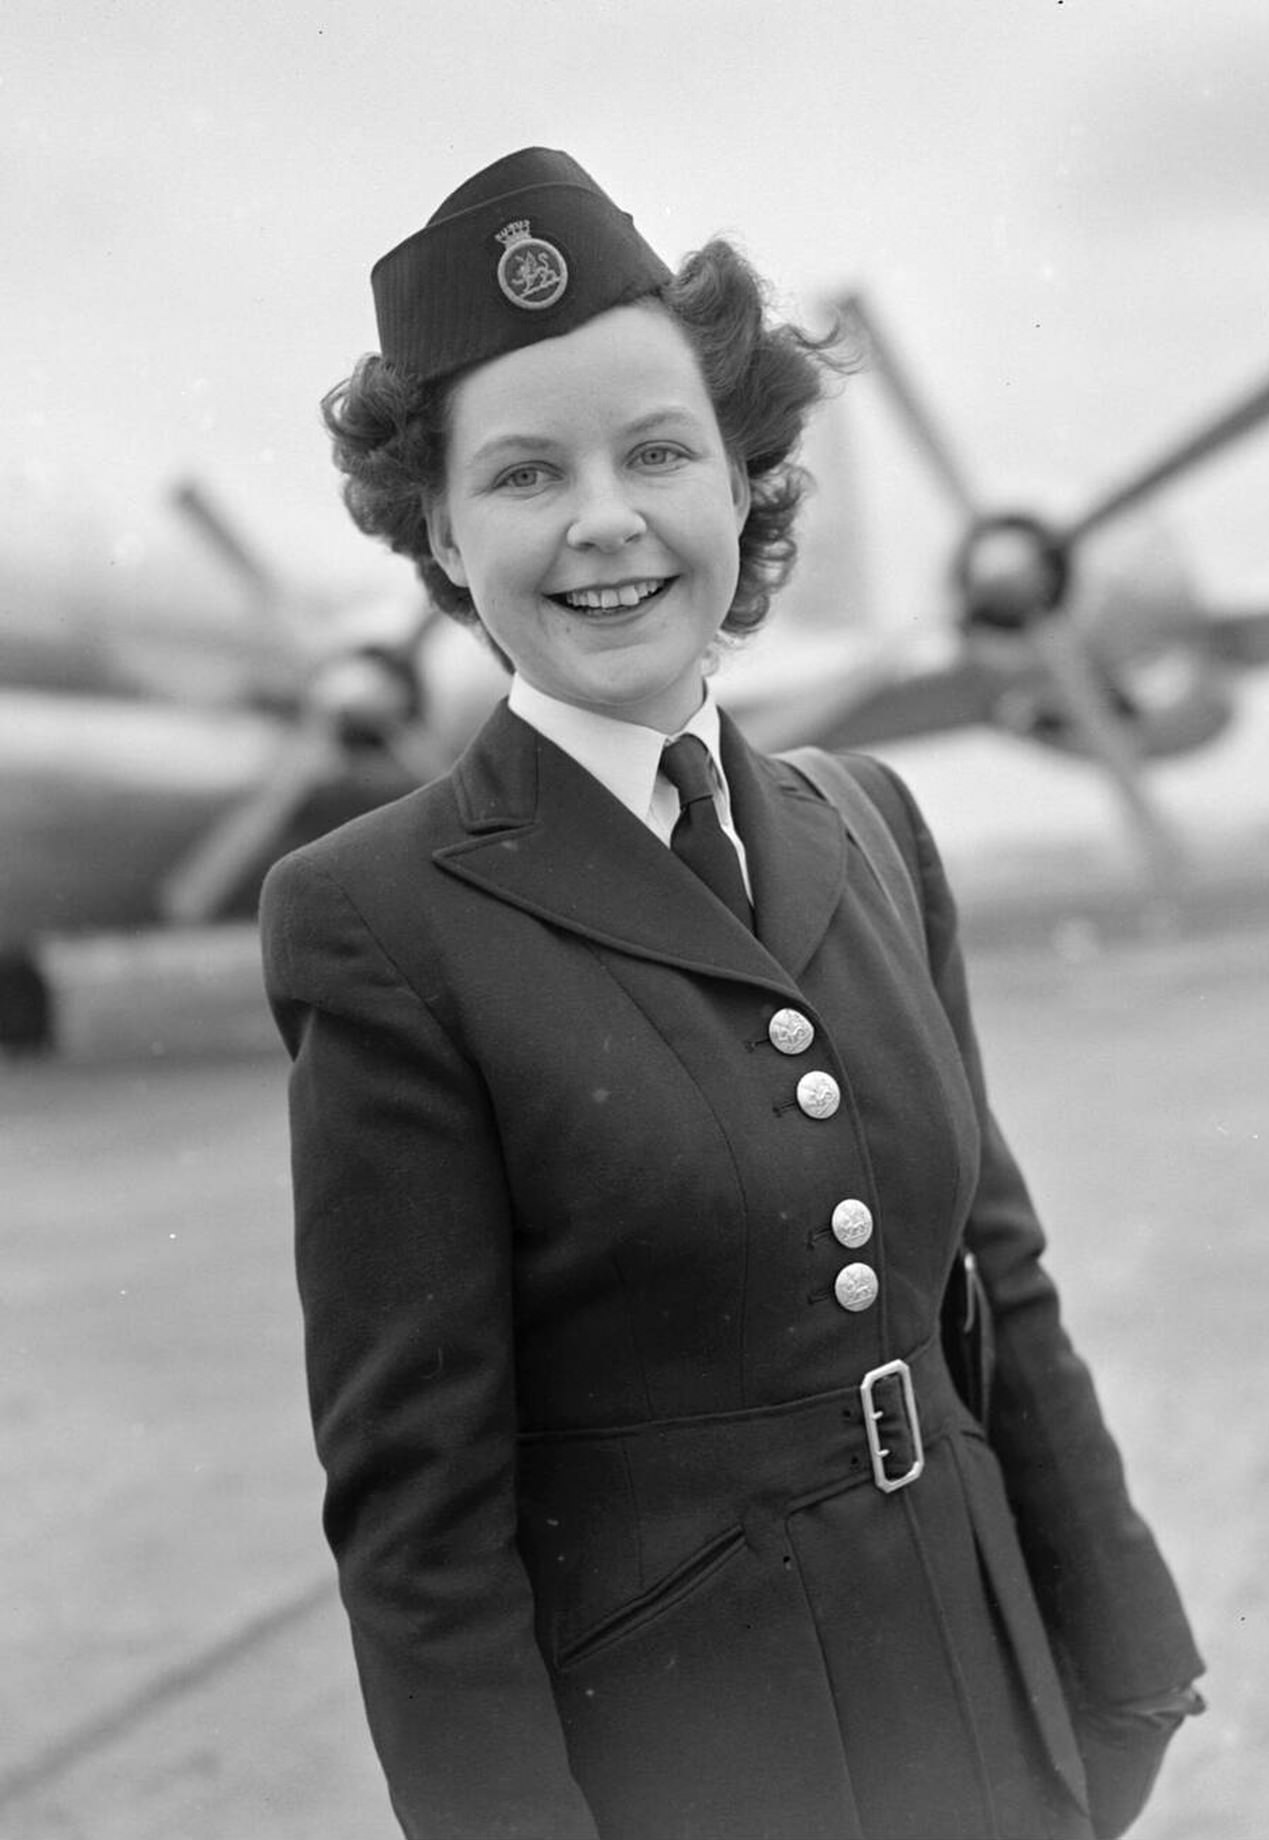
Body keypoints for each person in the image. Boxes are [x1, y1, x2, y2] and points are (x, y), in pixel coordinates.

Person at [260, 147, 1204, 1840]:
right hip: (698, 1768)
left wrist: (1125, 1664)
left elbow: (998, 1282)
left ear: (747, 487)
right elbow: (421, 1532)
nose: (606, 519)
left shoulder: (870, 824)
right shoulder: (376, 921)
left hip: (994, 1726)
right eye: (526, 473)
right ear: (447, 541)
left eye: (660, 450)